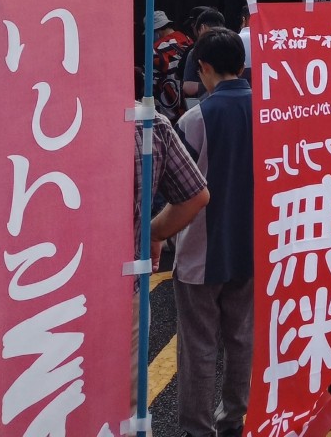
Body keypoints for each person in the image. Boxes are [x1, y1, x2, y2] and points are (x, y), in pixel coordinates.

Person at [173, 28, 253, 437]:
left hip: (202, 249)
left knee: (199, 345)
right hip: (252, 246)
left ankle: (197, 428)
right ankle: (233, 420)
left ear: (203, 67)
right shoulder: (267, 111)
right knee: (241, 337)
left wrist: (156, 232)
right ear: (241, 65)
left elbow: (178, 191)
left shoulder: (194, 118)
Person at [131, 83, 210, 430]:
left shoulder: (17, 122)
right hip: (125, 278)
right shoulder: (146, 123)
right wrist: (154, 233)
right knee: (127, 394)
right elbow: (194, 195)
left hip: (33, 290)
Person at [150, 10, 193, 122]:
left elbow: (151, 84)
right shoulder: (188, 40)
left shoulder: (156, 49)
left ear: (157, 31)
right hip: (191, 105)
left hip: (170, 110)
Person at [181, 8, 226, 110]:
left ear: (202, 27)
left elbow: (188, 87)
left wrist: (211, 84)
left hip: (206, 106)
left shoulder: (196, 51)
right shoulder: (234, 45)